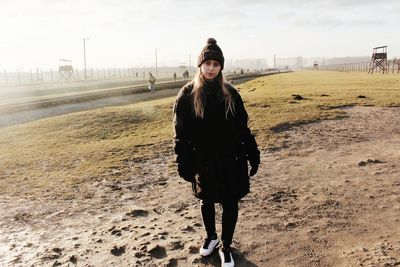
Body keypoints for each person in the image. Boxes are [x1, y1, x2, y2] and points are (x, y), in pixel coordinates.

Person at [173, 38, 260, 267]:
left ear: (221, 67)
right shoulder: (187, 94)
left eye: (215, 64)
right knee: (206, 200)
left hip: (231, 159)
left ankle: (226, 246)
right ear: (200, 65)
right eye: (207, 63)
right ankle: (211, 236)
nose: (211, 68)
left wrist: (253, 153)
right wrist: (184, 162)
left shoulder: (230, 93)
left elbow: (243, 128)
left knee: (230, 202)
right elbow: (181, 134)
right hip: (203, 161)